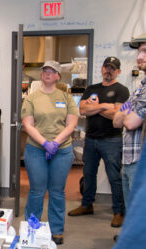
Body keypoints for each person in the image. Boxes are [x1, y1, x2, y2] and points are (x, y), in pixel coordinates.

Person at [21, 60, 78, 245]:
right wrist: (45, 143)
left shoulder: (66, 97)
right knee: (37, 191)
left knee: (57, 192)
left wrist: (55, 142)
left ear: (58, 76)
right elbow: (28, 125)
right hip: (36, 149)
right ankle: (32, 228)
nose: (47, 73)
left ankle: (57, 230)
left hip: (61, 150)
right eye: (45, 70)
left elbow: (71, 124)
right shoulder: (31, 98)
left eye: (52, 71)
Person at [68, 56, 129, 228]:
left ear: (118, 71)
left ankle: (119, 211)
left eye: (112, 68)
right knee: (88, 174)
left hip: (112, 140)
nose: (108, 70)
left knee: (114, 177)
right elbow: (82, 109)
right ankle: (87, 205)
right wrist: (105, 106)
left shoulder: (122, 90)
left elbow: (118, 114)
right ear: (102, 69)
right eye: (106, 67)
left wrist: (95, 107)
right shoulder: (92, 88)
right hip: (91, 139)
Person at [112, 33, 146, 243]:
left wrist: (125, 113)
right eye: (139, 51)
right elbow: (117, 119)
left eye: (144, 51)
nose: (139, 57)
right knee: (132, 209)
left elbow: (131, 122)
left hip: (139, 159)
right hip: (129, 157)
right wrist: (126, 112)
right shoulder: (141, 87)